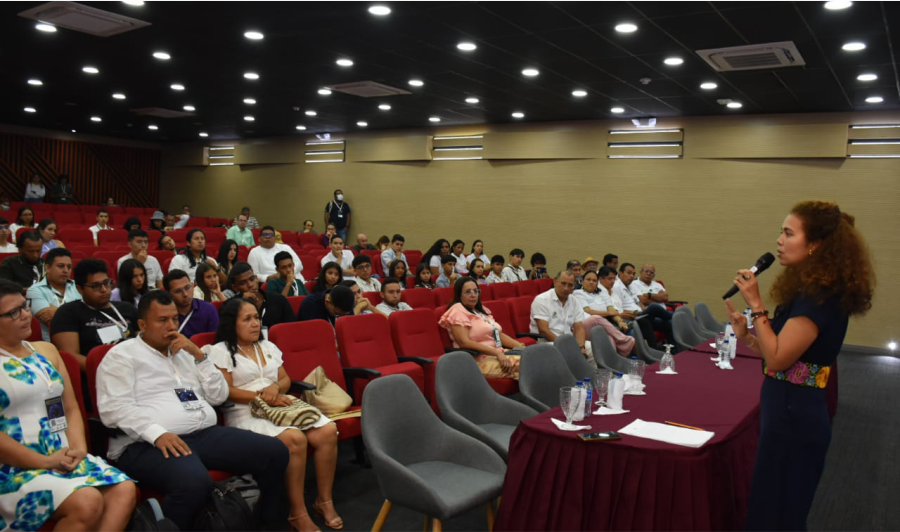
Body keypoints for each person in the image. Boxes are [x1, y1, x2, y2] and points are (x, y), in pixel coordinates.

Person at [724, 201, 874, 532]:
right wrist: (748, 335)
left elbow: (778, 359)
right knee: (773, 504)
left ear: (815, 245)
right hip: (787, 404)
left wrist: (757, 305)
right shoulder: (808, 290)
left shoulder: (820, 296)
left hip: (795, 413)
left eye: (789, 233)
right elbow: (780, 355)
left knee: (778, 510)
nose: (779, 240)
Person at [95, 290, 289, 531]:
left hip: (203, 433)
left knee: (274, 452)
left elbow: (218, 395)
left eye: (175, 319)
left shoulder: (185, 353)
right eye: (162, 320)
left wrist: (199, 356)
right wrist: (157, 433)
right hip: (144, 444)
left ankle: (264, 523)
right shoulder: (121, 357)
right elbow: (114, 409)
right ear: (143, 324)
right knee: (194, 482)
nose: (171, 326)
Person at [0, 279, 136, 532]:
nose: (25, 315)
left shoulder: (47, 350)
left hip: (63, 454)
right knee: (87, 501)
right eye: (13, 312)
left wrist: (79, 449)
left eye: (25, 306)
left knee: (124, 490)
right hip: (15, 467)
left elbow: (71, 408)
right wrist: (43, 462)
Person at [206, 298, 342, 532]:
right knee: (295, 439)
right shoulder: (220, 351)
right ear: (232, 323)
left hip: (279, 403)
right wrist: (262, 396)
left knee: (327, 431)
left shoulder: (267, 346)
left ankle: (324, 501)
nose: (255, 323)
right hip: (245, 411)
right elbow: (226, 392)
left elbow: (285, 379)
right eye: (247, 319)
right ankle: (297, 513)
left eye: (257, 317)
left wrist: (276, 389)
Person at [50, 259, 138, 369]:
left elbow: (144, 342)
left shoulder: (127, 308)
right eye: (96, 286)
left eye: (106, 283)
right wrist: (109, 370)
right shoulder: (68, 313)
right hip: (98, 373)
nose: (104, 289)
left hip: (136, 368)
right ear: (80, 289)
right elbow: (71, 357)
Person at [439, 277, 525, 379]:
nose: (473, 295)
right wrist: (497, 353)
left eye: (476, 291)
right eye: (468, 292)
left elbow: (498, 335)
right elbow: (464, 342)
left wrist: (521, 347)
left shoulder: (480, 311)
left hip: (497, 354)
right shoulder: (457, 310)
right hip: (476, 360)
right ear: (459, 295)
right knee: (528, 366)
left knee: (533, 358)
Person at [574, 269, 638, 357]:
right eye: (588, 279)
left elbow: (612, 310)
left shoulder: (602, 293)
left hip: (604, 326)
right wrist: (609, 313)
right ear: (583, 281)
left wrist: (619, 321)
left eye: (594, 280)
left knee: (609, 338)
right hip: (585, 327)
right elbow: (589, 311)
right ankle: (626, 340)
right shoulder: (578, 293)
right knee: (595, 318)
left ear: (597, 283)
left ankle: (614, 362)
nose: (591, 282)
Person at [530, 270, 589, 359]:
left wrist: (581, 347)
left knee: (592, 348)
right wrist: (566, 346)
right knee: (568, 353)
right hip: (548, 342)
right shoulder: (542, 300)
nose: (566, 288)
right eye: (563, 283)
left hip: (569, 341)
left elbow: (579, 327)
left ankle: (592, 373)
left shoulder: (574, 301)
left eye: (570, 285)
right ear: (554, 282)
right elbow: (544, 331)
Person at [26, 248, 81, 341]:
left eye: (69, 267)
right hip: (50, 344)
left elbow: (91, 315)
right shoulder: (35, 290)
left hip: (82, 339)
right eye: (61, 266)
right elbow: (50, 321)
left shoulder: (78, 287)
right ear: (47, 268)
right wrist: (79, 314)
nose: (65, 270)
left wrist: (57, 311)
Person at [227, 262, 295, 332]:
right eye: (243, 283)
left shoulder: (279, 300)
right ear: (235, 287)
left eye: (252, 279)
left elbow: (291, 330)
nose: (250, 285)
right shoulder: (229, 307)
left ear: (256, 278)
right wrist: (241, 301)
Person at [625, 263, 675, 345]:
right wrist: (659, 299)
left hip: (662, 315)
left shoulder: (657, 285)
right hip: (648, 315)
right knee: (654, 307)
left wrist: (650, 295)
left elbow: (665, 297)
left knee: (670, 323)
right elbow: (643, 300)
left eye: (651, 272)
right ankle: (675, 315)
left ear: (654, 275)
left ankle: (674, 351)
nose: (648, 274)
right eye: (646, 271)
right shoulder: (634, 284)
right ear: (640, 272)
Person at [163, 269, 219, 338]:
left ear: (192, 285)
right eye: (178, 291)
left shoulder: (208, 309)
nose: (185, 294)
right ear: (168, 293)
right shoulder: (164, 314)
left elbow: (215, 341)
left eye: (187, 287)